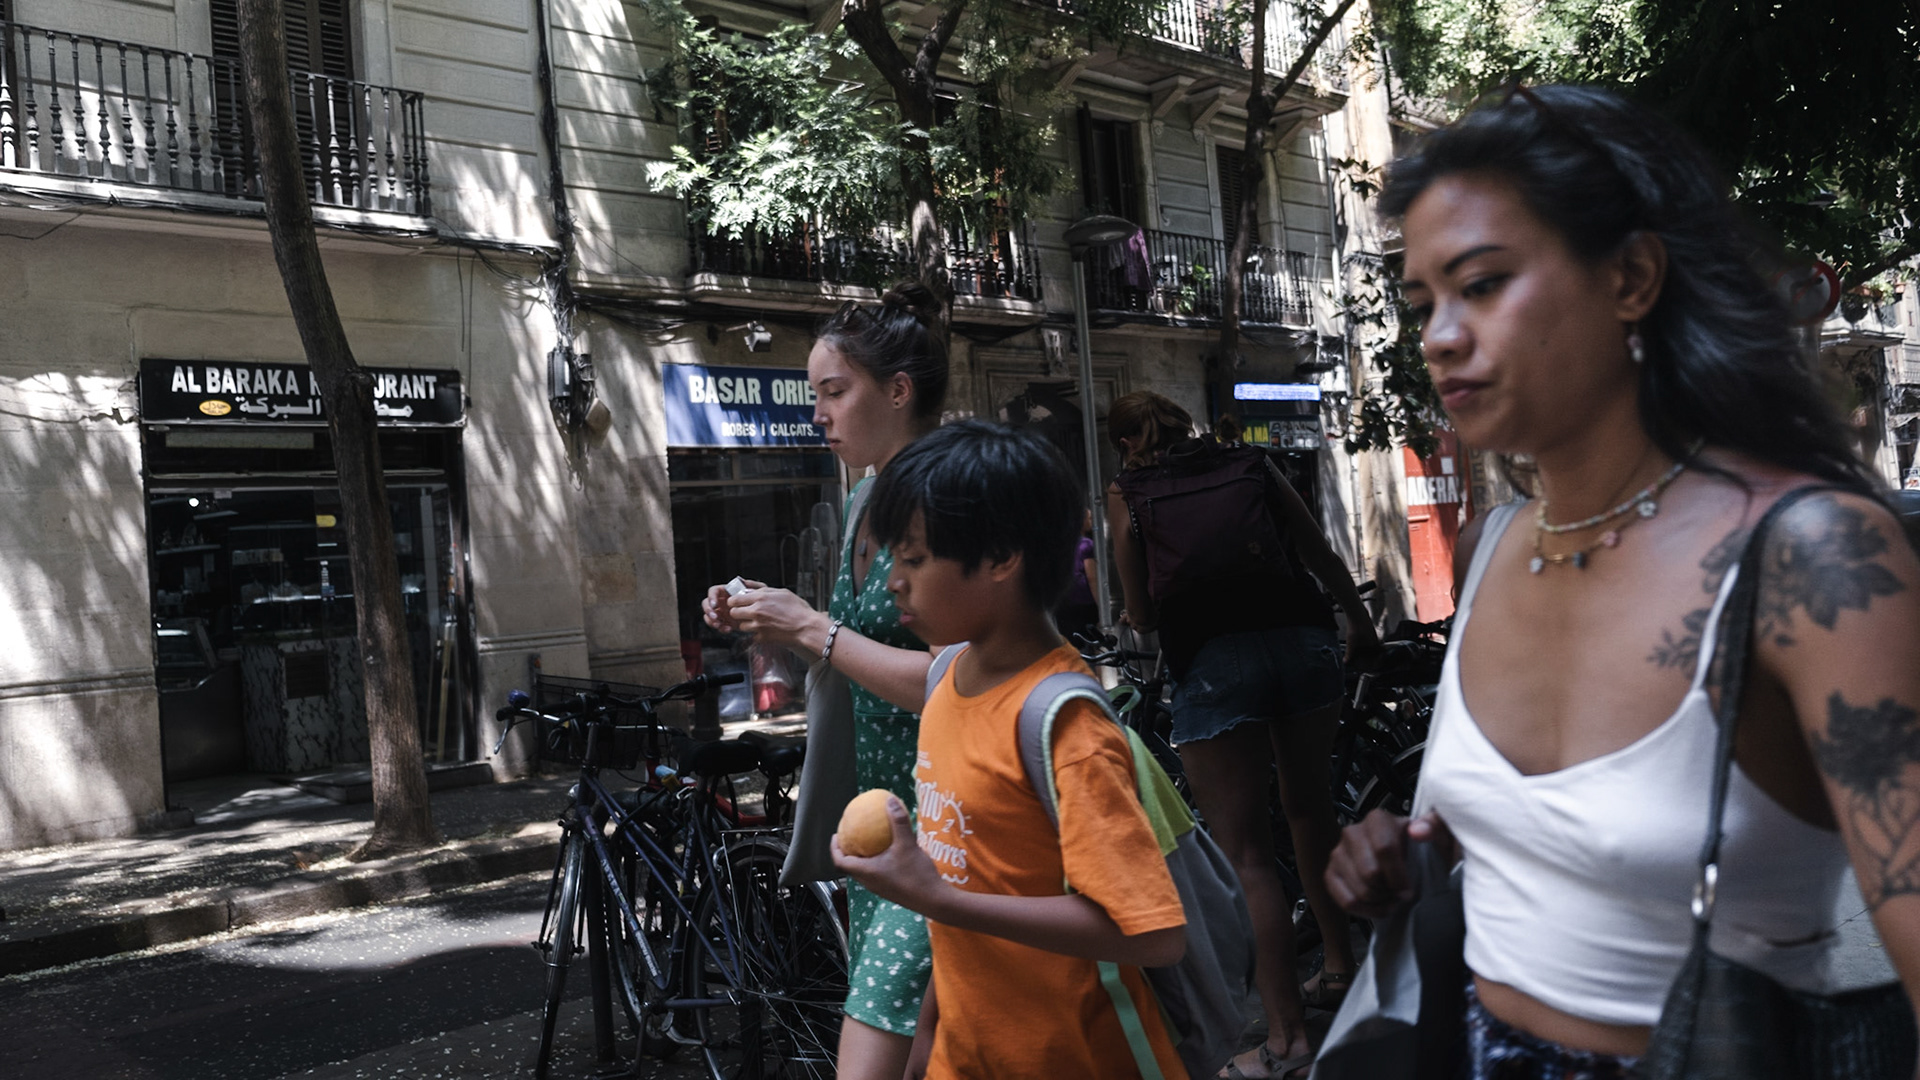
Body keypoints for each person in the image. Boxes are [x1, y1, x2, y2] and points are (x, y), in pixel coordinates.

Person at [1324, 84, 1920, 1076]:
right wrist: (1405, 853)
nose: (1436, 336)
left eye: (1482, 284)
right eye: (1423, 302)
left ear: (1632, 276)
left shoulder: (1809, 558)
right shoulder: (1491, 548)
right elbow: (1561, 849)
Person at [833, 419, 1191, 1078]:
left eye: (914, 559)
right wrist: (930, 1031)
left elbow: (1155, 933)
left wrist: (935, 899)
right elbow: (976, 877)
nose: (894, 583)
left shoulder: (1063, 724)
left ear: (1001, 557)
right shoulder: (946, 684)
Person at [701, 284, 945, 1080]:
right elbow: (854, 657)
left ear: (898, 391)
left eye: (835, 392)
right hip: (874, 833)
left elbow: (961, 683)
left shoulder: (945, 496)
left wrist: (810, 626)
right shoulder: (866, 496)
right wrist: (769, 617)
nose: (819, 415)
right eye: (816, 396)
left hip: (949, 828)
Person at [1105, 390, 1377, 1079]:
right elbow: (1315, 546)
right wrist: (1357, 620)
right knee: (1312, 811)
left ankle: (1285, 1039)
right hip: (1305, 639)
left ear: (1127, 443)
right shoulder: (1249, 464)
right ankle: (1341, 969)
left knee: (1249, 853)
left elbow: (1140, 613)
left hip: (1215, 663)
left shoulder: (1130, 493)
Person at [1054, 510, 1101, 639]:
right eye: (1089, 518)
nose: (1091, 522)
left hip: (1063, 601)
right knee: (1091, 640)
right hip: (1084, 601)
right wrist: (1100, 604)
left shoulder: (1060, 544)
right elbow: (1092, 578)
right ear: (1081, 521)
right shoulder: (1086, 544)